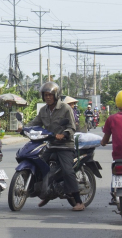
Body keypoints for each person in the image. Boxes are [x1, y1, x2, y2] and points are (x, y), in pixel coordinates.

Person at [26, 81, 84, 211]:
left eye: (50, 95)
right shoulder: (43, 110)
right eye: (45, 95)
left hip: (65, 146)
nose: (47, 97)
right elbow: (35, 123)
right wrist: (23, 128)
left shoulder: (65, 108)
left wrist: (63, 134)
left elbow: (72, 127)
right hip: (51, 145)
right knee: (39, 164)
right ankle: (46, 193)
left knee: (67, 171)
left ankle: (79, 201)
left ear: (56, 95)